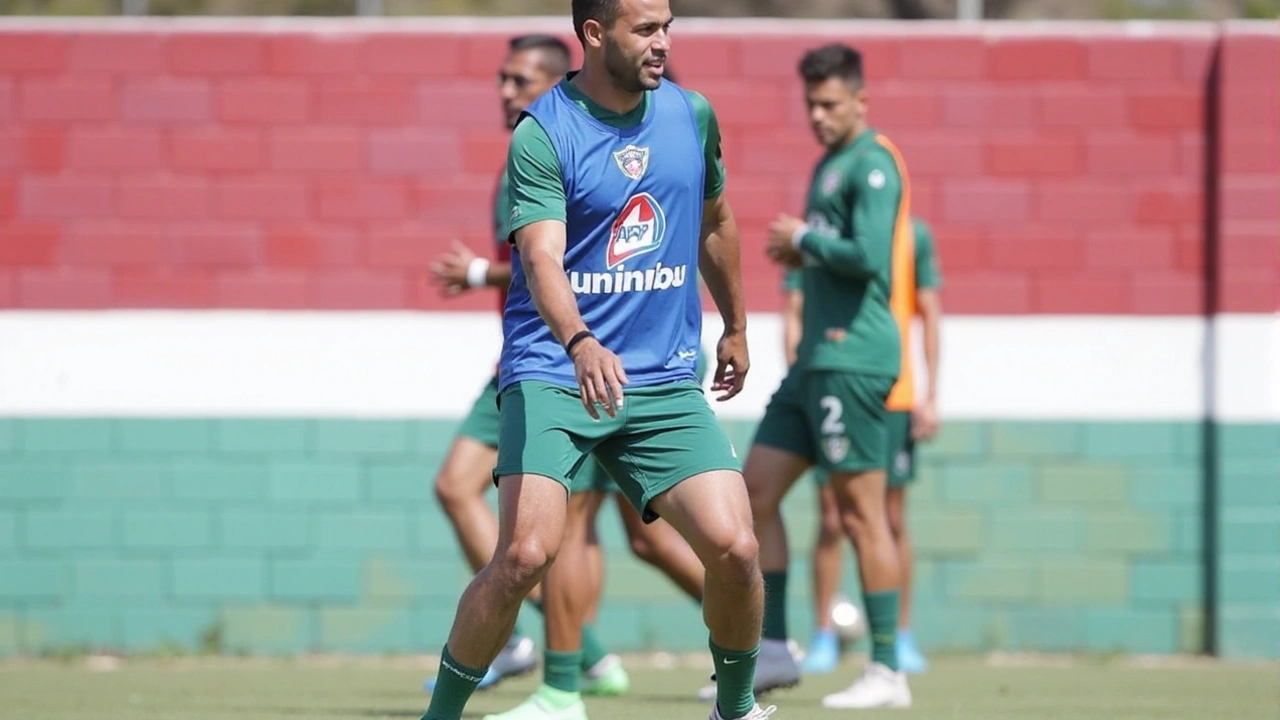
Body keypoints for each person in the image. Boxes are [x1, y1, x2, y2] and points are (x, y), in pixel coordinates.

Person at [420, 1, 775, 719]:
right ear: (594, 33)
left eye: (667, 27)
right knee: (524, 554)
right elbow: (541, 256)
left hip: (664, 379)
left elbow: (717, 221)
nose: (662, 42)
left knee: (737, 548)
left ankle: (734, 710)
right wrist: (580, 341)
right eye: (646, 29)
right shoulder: (544, 133)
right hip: (556, 370)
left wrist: (735, 325)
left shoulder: (691, 116)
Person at [423, 33, 626, 697]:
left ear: (553, 83)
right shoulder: (524, 150)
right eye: (501, 80)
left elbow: (565, 263)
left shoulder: (572, 147)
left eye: (519, 80)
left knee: (571, 526)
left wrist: (482, 271)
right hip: (523, 358)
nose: (505, 92)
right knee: (458, 486)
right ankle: (520, 639)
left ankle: (573, 672)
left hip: (576, 359)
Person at [744, 41, 915, 709]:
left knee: (861, 515)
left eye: (829, 103)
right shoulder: (827, 165)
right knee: (755, 491)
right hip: (810, 365)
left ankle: (886, 670)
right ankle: (778, 647)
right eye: (810, 103)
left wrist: (804, 241)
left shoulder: (872, 164)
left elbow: (870, 255)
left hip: (853, 361)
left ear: (860, 102)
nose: (817, 114)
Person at [790, 215, 943, 676]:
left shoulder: (913, 236)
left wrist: (930, 394)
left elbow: (929, 312)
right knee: (832, 518)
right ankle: (821, 634)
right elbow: (793, 312)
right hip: (830, 384)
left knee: (890, 517)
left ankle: (899, 634)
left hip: (892, 392)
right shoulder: (818, 234)